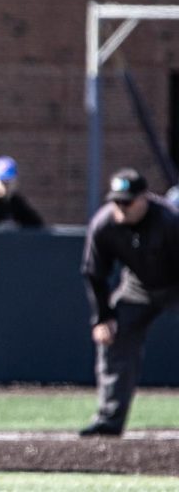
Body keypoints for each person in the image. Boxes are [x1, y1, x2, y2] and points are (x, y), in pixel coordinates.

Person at [79, 168, 179, 437]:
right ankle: (109, 420)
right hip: (139, 286)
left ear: (144, 198)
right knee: (114, 336)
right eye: (117, 201)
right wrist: (102, 317)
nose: (121, 207)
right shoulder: (104, 224)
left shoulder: (169, 220)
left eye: (128, 201)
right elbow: (94, 272)